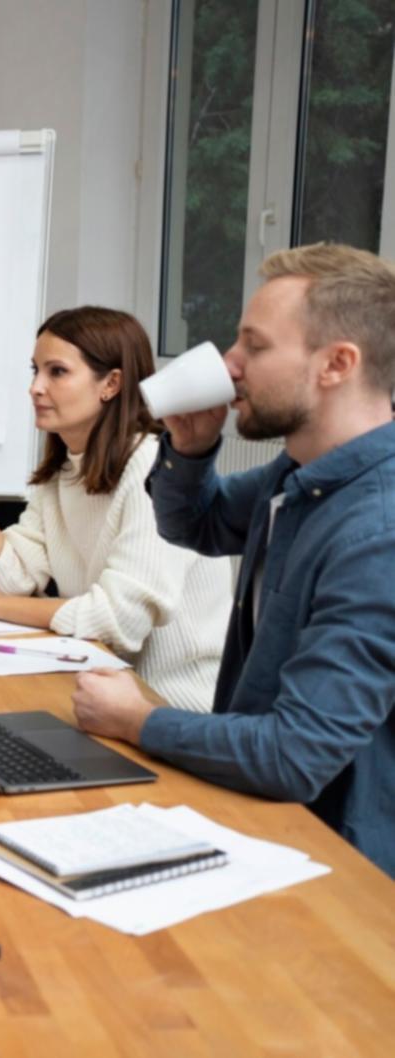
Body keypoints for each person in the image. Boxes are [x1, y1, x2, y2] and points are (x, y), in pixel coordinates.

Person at [71, 245, 395, 877]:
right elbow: (201, 523)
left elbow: (295, 755)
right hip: (267, 828)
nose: (229, 364)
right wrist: (191, 449)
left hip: (339, 871)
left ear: (337, 364)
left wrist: (141, 720)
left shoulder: (376, 534)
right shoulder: (304, 473)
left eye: (256, 345)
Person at [0, 307, 229, 712]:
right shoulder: (66, 469)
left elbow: (119, 622)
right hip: (100, 690)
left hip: (170, 707)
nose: (35, 387)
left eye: (56, 372)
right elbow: (10, 578)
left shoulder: (154, 470)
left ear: (111, 384)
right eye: (35, 371)